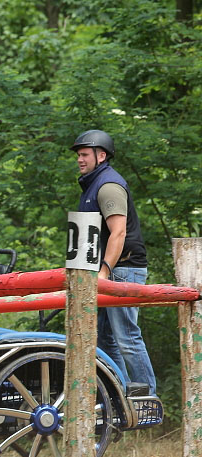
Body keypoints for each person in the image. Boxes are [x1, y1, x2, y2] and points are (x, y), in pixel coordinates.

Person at [71, 129, 156, 394]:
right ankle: (123, 395)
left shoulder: (108, 185)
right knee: (105, 339)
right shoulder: (93, 184)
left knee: (127, 338)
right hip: (109, 270)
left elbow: (118, 232)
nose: (79, 159)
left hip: (122, 269)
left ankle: (148, 399)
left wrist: (105, 271)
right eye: (79, 155)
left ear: (101, 155)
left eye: (84, 154)